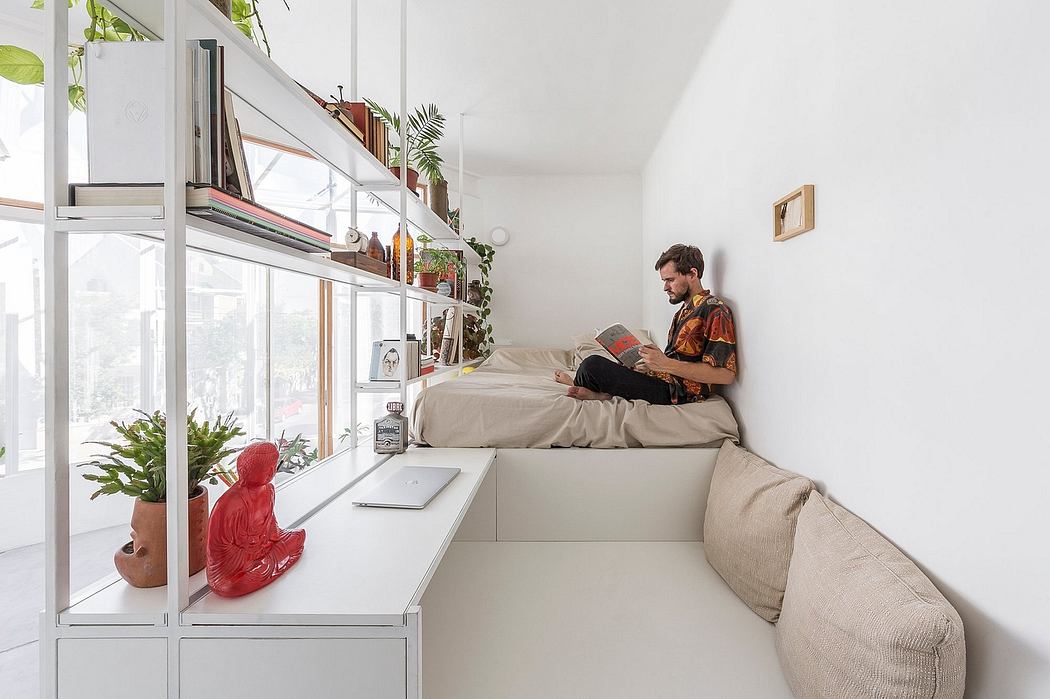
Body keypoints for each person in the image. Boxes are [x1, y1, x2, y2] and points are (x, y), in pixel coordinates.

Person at [554, 244, 737, 403]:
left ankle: (590, 389)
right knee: (600, 364)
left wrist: (665, 364)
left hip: (678, 391)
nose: (665, 287)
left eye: (670, 280)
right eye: (664, 281)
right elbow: (678, 360)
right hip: (664, 378)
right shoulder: (684, 311)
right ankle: (597, 390)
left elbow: (726, 375)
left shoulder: (715, 310)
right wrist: (651, 364)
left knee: (592, 365)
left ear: (692, 274)